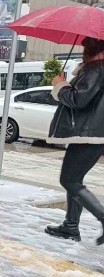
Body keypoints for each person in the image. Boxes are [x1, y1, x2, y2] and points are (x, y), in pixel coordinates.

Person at [45, 36, 104, 245]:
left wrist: (61, 85)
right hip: (92, 133)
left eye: (85, 45)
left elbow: (78, 100)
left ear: (92, 48)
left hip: (89, 134)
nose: (82, 49)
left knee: (69, 180)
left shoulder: (96, 68)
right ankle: (70, 226)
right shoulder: (95, 68)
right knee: (74, 180)